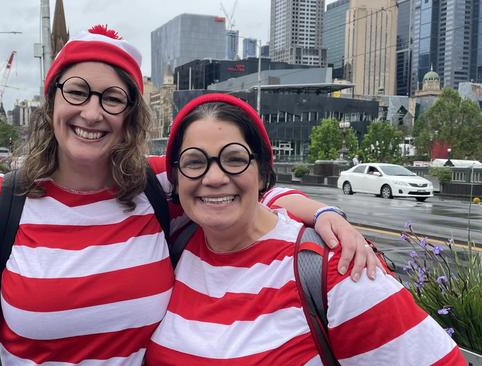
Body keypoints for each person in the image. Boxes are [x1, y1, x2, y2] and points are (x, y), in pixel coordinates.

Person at [0, 25, 378, 365]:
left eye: (112, 98)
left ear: (129, 115)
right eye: (77, 92)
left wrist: (323, 215)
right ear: (52, 101)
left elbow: (235, 190)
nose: (92, 113)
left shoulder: (154, 188)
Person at [146, 94, 464, 365]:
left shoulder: (334, 267)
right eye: (194, 162)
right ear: (175, 176)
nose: (214, 178)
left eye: (234, 159)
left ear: (262, 172)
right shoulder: (175, 244)